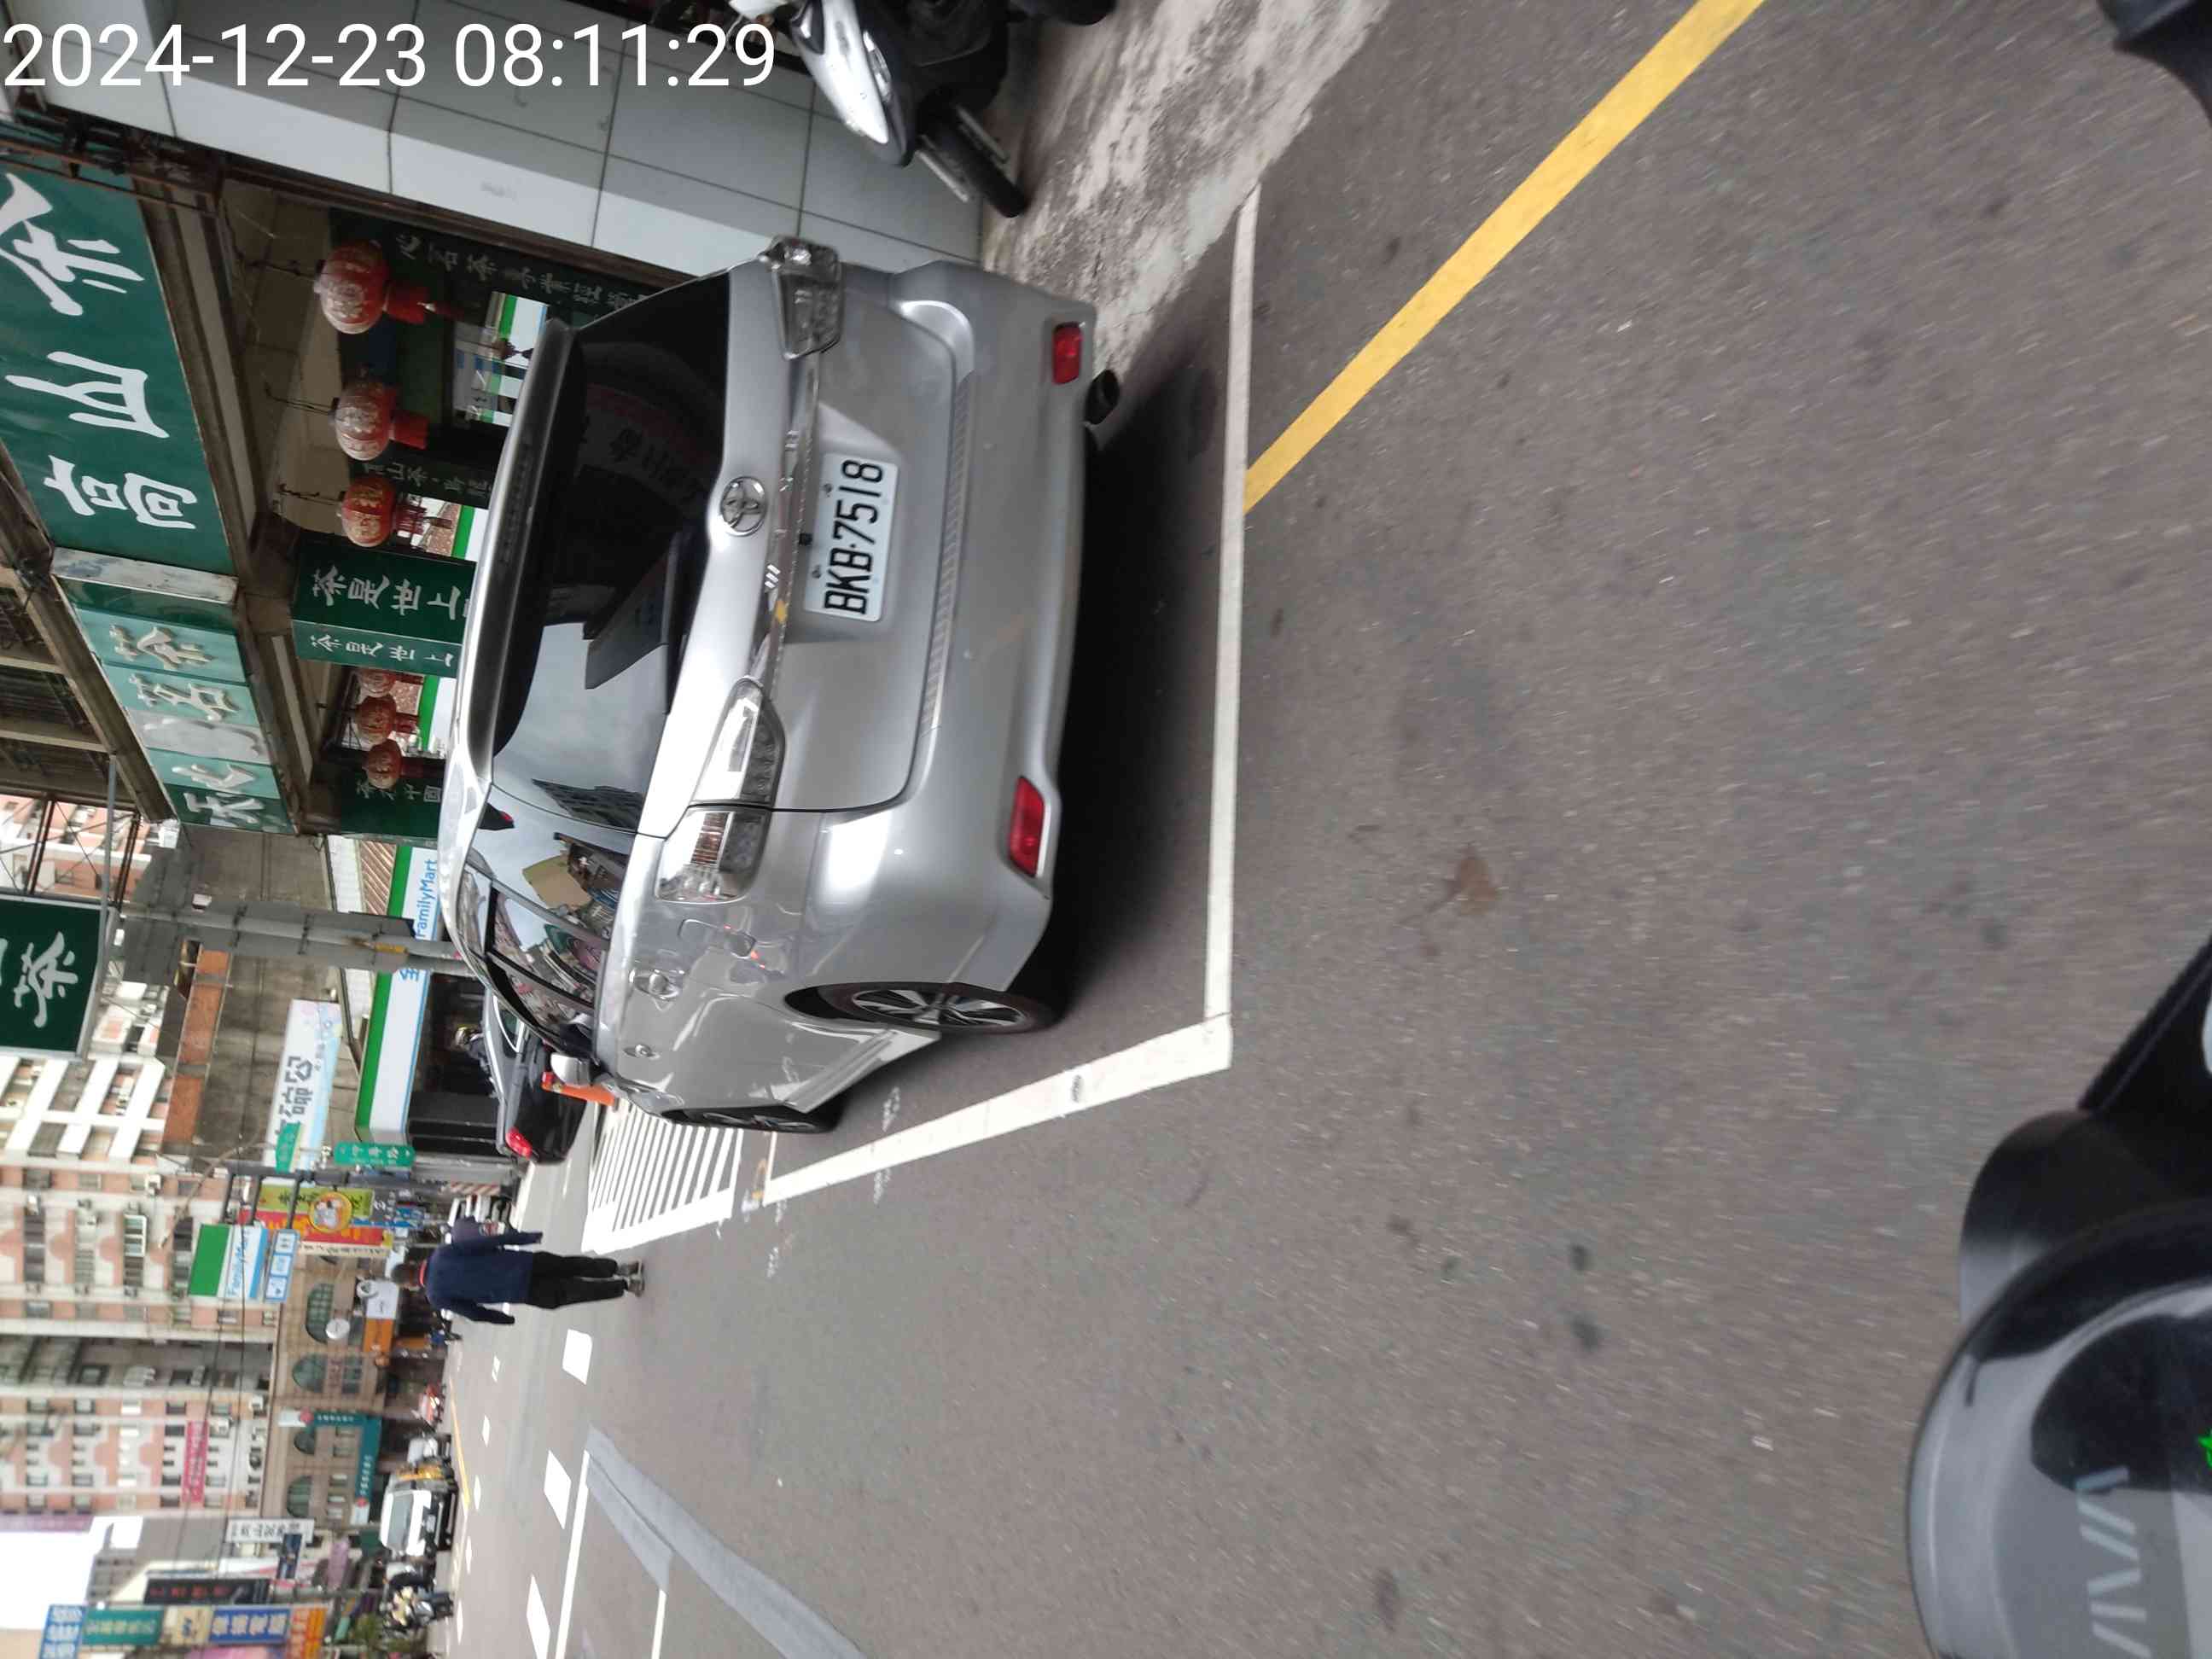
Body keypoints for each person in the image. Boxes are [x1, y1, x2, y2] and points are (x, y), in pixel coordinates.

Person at [402, 1231, 641, 1325]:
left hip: (518, 1291)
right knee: (569, 1265)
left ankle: (625, 1286)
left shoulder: (436, 1296)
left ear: (410, 1284)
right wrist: (525, 1238)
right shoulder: (442, 1253)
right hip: (522, 1262)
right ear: (412, 1263)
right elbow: (487, 1242)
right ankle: (617, 1268)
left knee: (572, 1293)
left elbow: (473, 1312)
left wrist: (503, 1319)